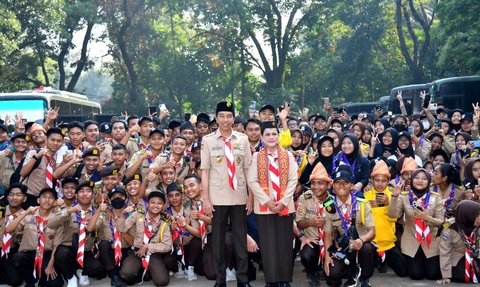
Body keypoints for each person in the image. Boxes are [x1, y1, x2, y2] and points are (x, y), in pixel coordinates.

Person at [201, 101, 252, 287]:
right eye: (221, 116)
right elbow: (205, 171)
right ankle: (220, 280)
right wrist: (206, 199)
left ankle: (243, 280)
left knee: (240, 239)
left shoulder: (242, 139)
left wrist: (251, 196)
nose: (225, 120)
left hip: (239, 195)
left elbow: (247, 169)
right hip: (217, 197)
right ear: (216, 118)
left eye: (229, 116)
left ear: (233, 118)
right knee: (218, 241)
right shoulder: (208, 141)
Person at [247, 121, 298, 287]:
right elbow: (252, 180)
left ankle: (284, 279)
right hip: (264, 208)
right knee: (268, 245)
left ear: (278, 136)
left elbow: (293, 179)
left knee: (284, 244)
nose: (271, 137)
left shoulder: (288, 155)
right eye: (267, 134)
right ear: (262, 137)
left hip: (285, 207)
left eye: (274, 134)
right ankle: (271, 280)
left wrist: (283, 201)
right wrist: (267, 201)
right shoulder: (257, 156)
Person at [323, 167, 376, 287]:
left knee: (367, 249)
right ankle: (351, 271)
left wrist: (361, 239)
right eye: (337, 182)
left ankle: (364, 278)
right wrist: (328, 256)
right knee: (332, 274)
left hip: (360, 244)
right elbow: (327, 234)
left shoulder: (362, 203)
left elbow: (372, 231)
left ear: (352, 186)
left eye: (345, 182)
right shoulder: (329, 206)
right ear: (333, 187)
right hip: (343, 247)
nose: (341, 185)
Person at [388, 168, 443, 280]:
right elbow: (392, 215)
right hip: (412, 240)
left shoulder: (436, 197)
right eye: (417, 178)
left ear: (429, 181)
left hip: (431, 241)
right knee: (415, 275)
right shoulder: (404, 197)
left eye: (424, 178)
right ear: (412, 180)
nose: (420, 181)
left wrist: (427, 218)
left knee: (432, 275)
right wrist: (394, 196)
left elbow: (441, 222)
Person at [7, 188, 63, 287]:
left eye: (51, 198)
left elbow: (56, 244)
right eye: (44, 196)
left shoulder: (57, 218)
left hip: (46, 254)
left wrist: (51, 264)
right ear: (38, 200)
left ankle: (40, 277)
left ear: (54, 202)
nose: (47, 200)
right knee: (17, 258)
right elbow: (9, 229)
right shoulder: (28, 215)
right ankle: (31, 281)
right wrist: (25, 213)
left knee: (55, 284)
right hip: (29, 253)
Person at [364, 160, 407, 276]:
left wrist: (390, 201)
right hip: (371, 243)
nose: (380, 184)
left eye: (384, 181)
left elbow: (394, 218)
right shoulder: (366, 196)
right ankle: (378, 261)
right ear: (371, 180)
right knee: (366, 272)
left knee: (403, 271)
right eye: (377, 180)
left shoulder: (393, 195)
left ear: (388, 181)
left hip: (388, 243)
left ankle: (383, 261)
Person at [119, 191, 173, 286]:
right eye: (152, 202)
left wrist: (147, 246)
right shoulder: (137, 215)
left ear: (163, 206)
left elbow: (167, 245)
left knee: (162, 282)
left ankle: (150, 270)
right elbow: (121, 228)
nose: (156, 205)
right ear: (147, 204)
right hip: (137, 251)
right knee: (126, 274)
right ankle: (142, 271)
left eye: (159, 203)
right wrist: (122, 215)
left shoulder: (165, 222)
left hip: (153, 254)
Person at [296, 161, 335, 287]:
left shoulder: (333, 201)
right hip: (312, 240)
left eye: (320, 183)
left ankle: (324, 268)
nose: (316, 187)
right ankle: (312, 272)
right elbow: (299, 223)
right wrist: (311, 222)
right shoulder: (305, 198)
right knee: (306, 255)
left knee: (334, 277)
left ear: (328, 185)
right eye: (313, 183)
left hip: (330, 242)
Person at [437, 200, 480, 284]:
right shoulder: (449, 228)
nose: (479, 218)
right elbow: (444, 252)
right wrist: (446, 276)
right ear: (468, 215)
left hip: (475, 254)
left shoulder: (477, 225)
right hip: (458, 256)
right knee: (461, 276)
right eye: (477, 215)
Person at [0, 183, 27, 286]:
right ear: (7, 197)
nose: (14, 198)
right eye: (11, 194)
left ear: (24, 198)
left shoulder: (27, 215)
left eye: (18, 195)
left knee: (15, 281)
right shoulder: (1, 208)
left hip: (11, 251)